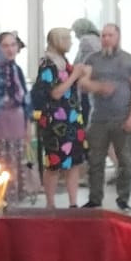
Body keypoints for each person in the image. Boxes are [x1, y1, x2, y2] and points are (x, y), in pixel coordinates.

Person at [81, 23, 131, 212]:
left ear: (118, 37)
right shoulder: (91, 59)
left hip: (123, 118)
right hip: (98, 119)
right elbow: (83, 83)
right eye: (103, 35)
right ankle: (94, 199)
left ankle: (123, 199)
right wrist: (98, 87)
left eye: (110, 35)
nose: (106, 39)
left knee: (125, 162)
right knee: (95, 161)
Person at [0, 32, 36, 206]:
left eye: (13, 45)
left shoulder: (17, 70)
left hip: (17, 128)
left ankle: (13, 207)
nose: (10, 50)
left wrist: (28, 125)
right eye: (5, 46)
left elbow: (25, 100)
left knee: (15, 168)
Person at [33, 27, 89, 209]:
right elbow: (55, 93)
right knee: (54, 163)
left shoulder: (64, 61)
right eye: (67, 39)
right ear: (58, 41)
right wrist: (74, 76)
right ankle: (50, 203)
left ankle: (73, 203)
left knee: (74, 162)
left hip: (72, 117)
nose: (71, 43)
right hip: (55, 120)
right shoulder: (48, 64)